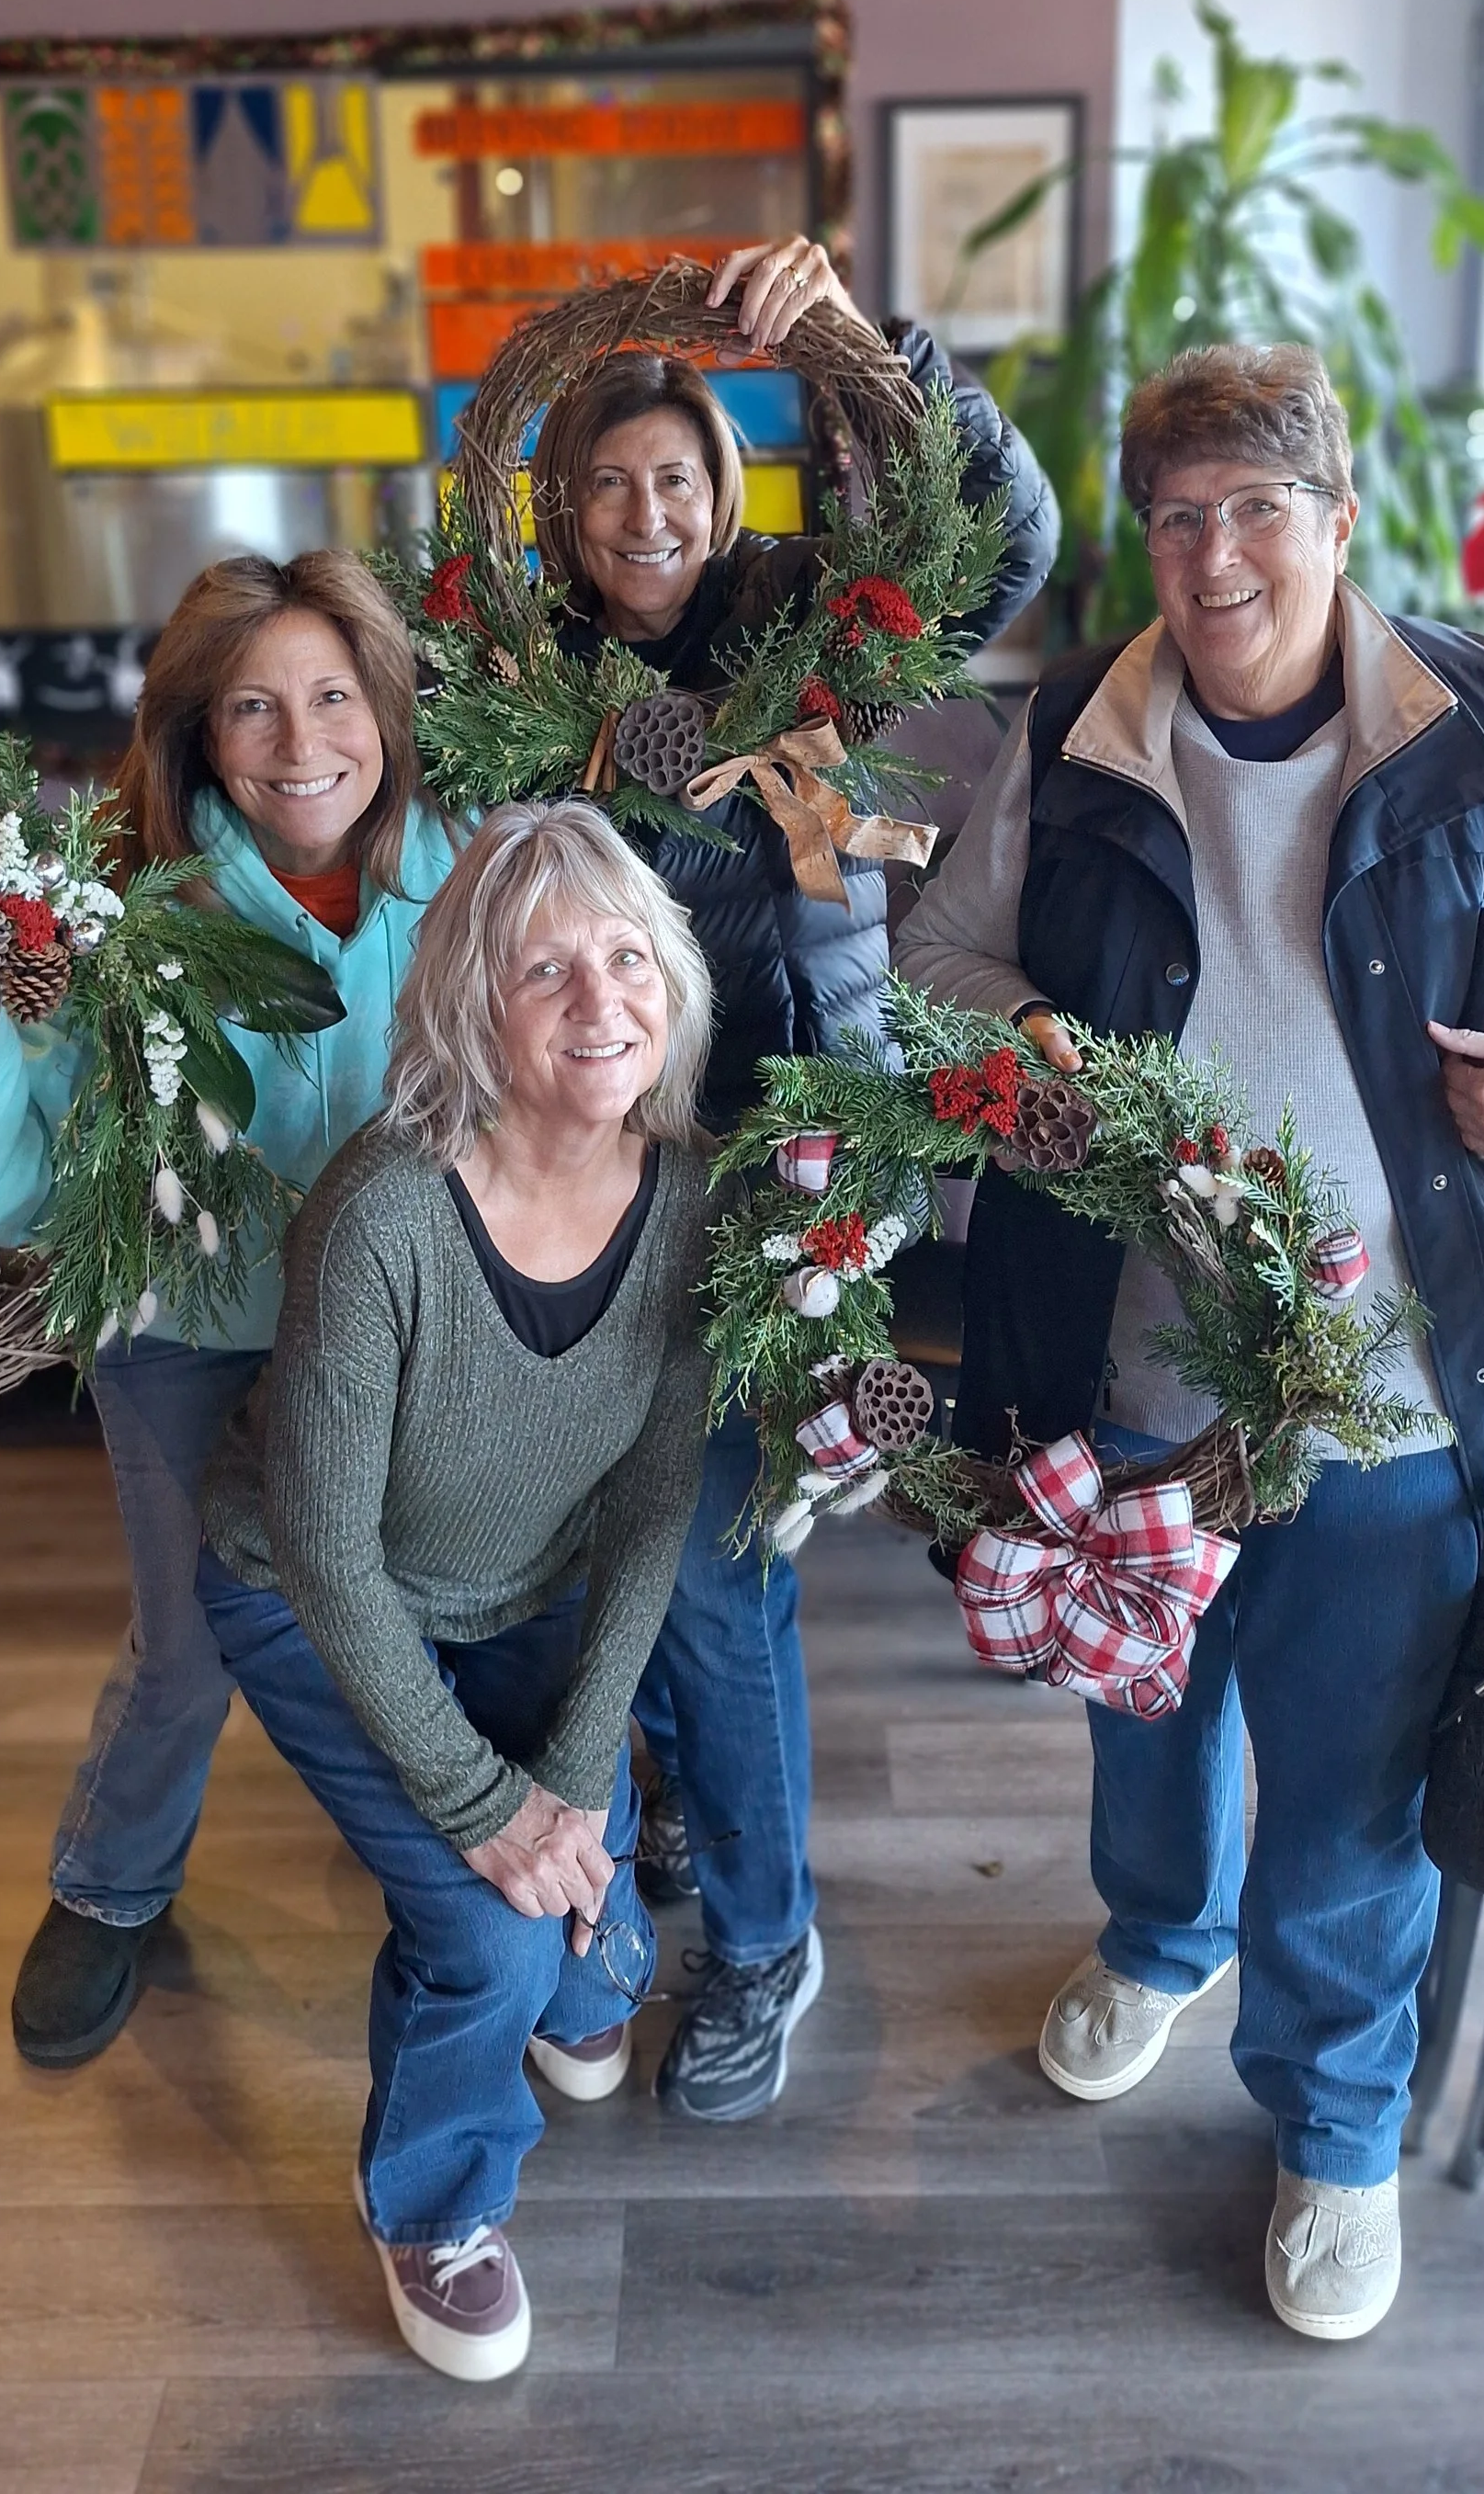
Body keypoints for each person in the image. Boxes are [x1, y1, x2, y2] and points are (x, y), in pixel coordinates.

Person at [895, 341, 1484, 2342]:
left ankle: (1336, 2129)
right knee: (1144, 1714)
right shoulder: (1075, 724)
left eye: (1257, 507)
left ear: (1337, 523)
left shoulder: (1475, 722)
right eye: (1176, 514)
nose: (1215, 552)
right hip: (1124, 1372)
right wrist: (1031, 1042)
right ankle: (1156, 1939)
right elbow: (934, 959)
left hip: (1393, 1391)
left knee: (1342, 1797)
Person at [528, 233, 1059, 2120]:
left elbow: (1001, 541)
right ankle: (671, 1807)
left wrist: (872, 345)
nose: (641, 509)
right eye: (601, 482)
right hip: (574, 1172)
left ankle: (762, 1936)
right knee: (612, 1544)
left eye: (671, 471)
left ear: (722, 483)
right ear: (559, 511)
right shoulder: (520, 670)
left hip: (785, 1154)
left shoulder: (799, 624)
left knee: (716, 1574)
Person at [0, 553, 457, 2071]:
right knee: (191, 1639)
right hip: (194, 1335)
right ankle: (111, 1880)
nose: (301, 741)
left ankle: (465, 1881)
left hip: (414, 1335)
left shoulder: (462, 871)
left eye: (334, 695)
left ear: (387, 710)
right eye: (254, 707)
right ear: (202, 736)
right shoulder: (117, 915)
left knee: (443, 1604)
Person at [196, 803, 718, 2382]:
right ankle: (431, 2200)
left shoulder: (691, 1197)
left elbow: (650, 1505)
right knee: (493, 1936)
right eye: (544, 966)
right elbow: (332, 1552)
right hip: (307, 1584)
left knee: (589, 1853)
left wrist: (565, 1774)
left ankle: (559, 1949)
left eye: (628, 955)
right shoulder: (383, 1216)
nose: (601, 1001)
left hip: (523, 1580)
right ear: (467, 1005)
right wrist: (486, 1809)